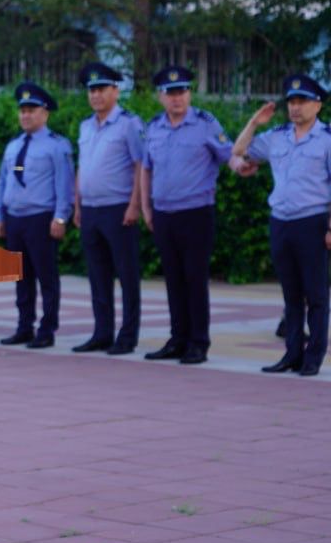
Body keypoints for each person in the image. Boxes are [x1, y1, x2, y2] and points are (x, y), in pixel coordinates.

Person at [229, 74, 331, 377]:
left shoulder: (326, 139)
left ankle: (313, 358)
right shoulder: (277, 136)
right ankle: (291, 354)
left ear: (318, 105)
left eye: (303, 102)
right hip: (281, 222)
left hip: (312, 221)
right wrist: (254, 123)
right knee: (290, 294)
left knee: (316, 294)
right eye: (292, 102)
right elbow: (238, 152)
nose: (296, 107)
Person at [140, 65, 232, 365]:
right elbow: (146, 168)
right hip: (164, 213)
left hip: (196, 213)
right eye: (170, 93)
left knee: (194, 278)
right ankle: (178, 338)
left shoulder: (206, 123)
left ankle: (198, 342)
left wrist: (243, 164)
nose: (176, 98)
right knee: (173, 279)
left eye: (181, 92)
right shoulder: (154, 127)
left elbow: (228, 155)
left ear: (190, 93)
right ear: (160, 97)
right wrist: (145, 206)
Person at [0, 82, 74, 349]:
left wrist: (61, 217)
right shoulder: (13, 145)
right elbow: (3, 183)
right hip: (15, 218)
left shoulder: (56, 146)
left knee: (46, 277)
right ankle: (24, 327)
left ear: (45, 113)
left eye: (32, 110)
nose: (26, 115)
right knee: (21, 278)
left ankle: (47, 329)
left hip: (41, 218)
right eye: (23, 110)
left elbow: (65, 184)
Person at [72, 63, 145, 355]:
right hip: (90, 209)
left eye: (101, 89)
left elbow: (141, 165)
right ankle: (102, 332)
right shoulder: (85, 125)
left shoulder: (130, 123)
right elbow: (82, 167)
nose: (96, 95)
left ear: (116, 90)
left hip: (119, 209)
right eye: (92, 90)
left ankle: (127, 336)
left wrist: (135, 204)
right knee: (97, 274)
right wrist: (77, 205)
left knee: (126, 275)